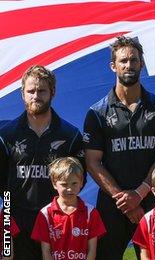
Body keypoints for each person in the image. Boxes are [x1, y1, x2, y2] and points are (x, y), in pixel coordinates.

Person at [83, 36, 155, 259]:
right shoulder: (97, 113)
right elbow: (92, 162)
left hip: (152, 201)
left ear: (142, 63)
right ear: (113, 66)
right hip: (112, 204)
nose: (129, 65)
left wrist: (139, 193)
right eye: (123, 61)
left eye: (134, 60)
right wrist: (123, 199)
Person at [0, 65, 83, 259]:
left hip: (56, 220)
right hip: (14, 220)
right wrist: (7, 220)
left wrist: (64, 210)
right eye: (30, 91)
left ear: (52, 92)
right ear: (22, 93)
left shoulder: (70, 135)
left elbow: (80, 178)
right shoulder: (6, 135)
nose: (35, 96)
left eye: (42, 90)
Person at [31, 157, 106, 260]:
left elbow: (92, 250)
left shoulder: (90, 212)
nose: (69, 189)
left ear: (81, 182)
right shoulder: (45, 214)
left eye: (74, 183)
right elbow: (46, 251)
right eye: (64, 184)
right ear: (54, 183)